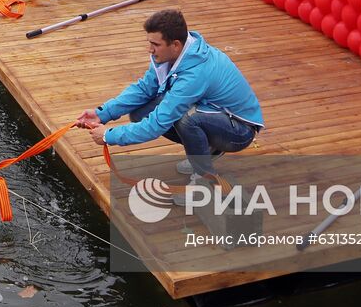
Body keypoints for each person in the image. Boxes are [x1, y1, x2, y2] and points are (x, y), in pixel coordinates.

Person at [76, 10, 264, 180]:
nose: (150, 49)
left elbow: (157, 125)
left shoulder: (195, 74)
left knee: (188, 120)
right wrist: (103, 113)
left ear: (175, 44)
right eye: (149, 43)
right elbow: (144, 89)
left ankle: (204, 179)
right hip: (211, 113)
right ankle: (204, 150)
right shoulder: (173, 54)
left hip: (239, 131)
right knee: (140, 111)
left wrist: (110, 136)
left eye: (155, 44)